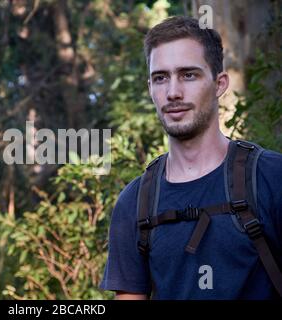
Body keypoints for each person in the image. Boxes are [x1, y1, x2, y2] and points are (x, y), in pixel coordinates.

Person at [99, 16, 282, 300]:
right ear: (150, 88)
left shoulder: (271, 178)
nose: (173, 92)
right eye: (160, 78)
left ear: (219, 83)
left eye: (189, 75)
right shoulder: (135, 202)